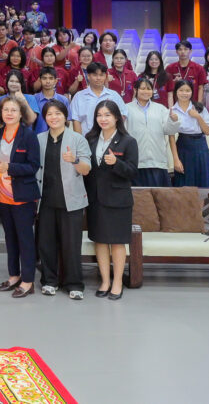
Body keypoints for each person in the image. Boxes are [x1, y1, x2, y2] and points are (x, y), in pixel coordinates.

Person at [35, 100, 91, 301]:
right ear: (45, 117)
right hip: (45, 200)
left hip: (71, 200)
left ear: (65, 116)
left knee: (71, 245)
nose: (54, 117)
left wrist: (74, 160)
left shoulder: (77, 139)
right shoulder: (39, 139)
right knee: (46, 244)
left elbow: (86, 169)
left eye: (58, 113)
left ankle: (74, 284)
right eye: (49, 114)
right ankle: (49, 281)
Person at [85, 100, 138, 301]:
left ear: (116, 117)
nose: (103, 119)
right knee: (99, 240)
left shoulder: (128, 141)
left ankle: (117, 282)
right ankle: (105, 281)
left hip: (118, 200)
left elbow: (132, 171)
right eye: (99, 115)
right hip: (95, 199)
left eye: (107, 115)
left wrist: (117, 163)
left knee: (117, 242)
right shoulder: (90, 139)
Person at [0, 96, 42, 299]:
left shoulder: (29, 136)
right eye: (6, 110)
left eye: (14, 110)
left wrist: (10, 167)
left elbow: (33, 166)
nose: (9, 113)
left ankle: (28, 281)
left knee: (25, 239)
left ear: (21, 114)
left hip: (22, 197)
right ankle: (14, 276)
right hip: (2, 196)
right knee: (10, 238)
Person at [124, 78, 180, 187]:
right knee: (139, 195)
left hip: (157, 160)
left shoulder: (160, 109)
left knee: (159, 195)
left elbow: (169, 130)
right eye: (142, 88)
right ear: (135, 90)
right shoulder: (127, 108)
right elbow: (123, 133)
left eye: (149, 89)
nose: (146, 91)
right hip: (136, 161)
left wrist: (173, 121)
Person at [168, 80, 209, 188]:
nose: (184, 93)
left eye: (188, 90)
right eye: (181, 90)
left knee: (202, 182)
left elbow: (207, 132)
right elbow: (171, 137)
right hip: (183, 146)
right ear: (176, 92)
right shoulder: (172, 111)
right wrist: (176, 160)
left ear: (192, 92)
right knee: (184, 183)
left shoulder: (199, 108)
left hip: (200, 146)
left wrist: (197, 117)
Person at [69, 62, 127, 135]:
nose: (98, 78)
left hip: (110, 137)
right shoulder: (79, 96)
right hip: (86, 137)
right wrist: (80, 139)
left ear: (105, 76)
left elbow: (122, 115)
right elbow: (76, 120)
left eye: (101, 75)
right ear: (88, 76)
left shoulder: (114, 95)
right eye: (95, 75)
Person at [166, 40, 207, 105]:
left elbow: (201, 87)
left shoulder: (199, 68)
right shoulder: (170, 68)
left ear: (190, 51)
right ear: (176, 52)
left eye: (185, 49)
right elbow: (167, 87)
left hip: (193, 102)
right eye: (180, 49)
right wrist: (173, 82)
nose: (183, 52)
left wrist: (199, 103)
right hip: (176, 102)